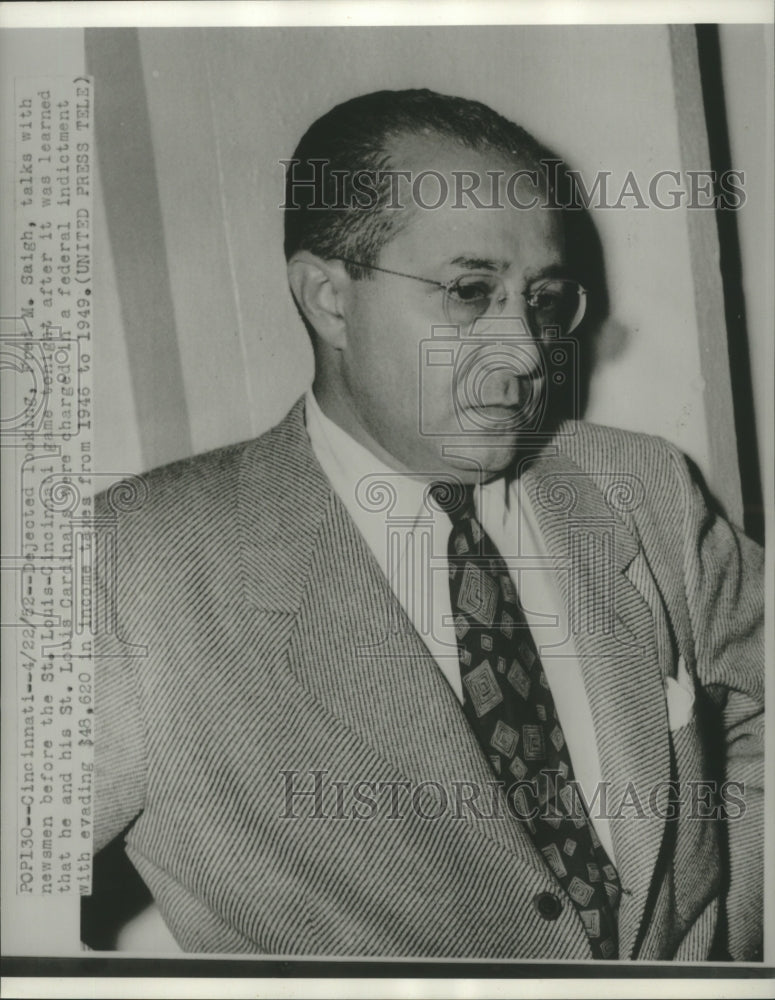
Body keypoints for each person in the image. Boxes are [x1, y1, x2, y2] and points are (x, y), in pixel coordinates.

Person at [91, 89, 764, 960]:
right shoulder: (136, 565)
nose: (523, 351)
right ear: (329, 300)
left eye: (545, 300)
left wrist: (733, 940)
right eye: (469, 291)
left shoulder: (640, 486)